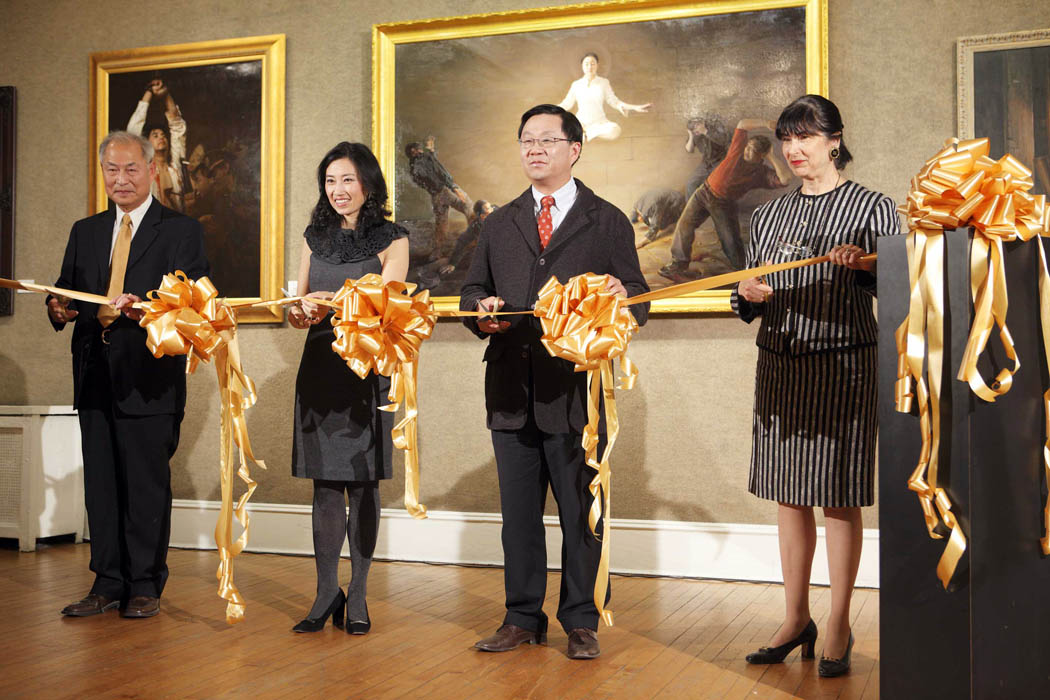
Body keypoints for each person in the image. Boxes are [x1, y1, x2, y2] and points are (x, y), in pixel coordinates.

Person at [460, 104, 649, 660]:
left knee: (579, 513)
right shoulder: (499, 222)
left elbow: (639, 298)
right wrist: (481, 312)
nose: (535, 149)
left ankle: (581, 620)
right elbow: (471, 292)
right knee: (518, 517)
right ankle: (522, 617)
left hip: (577, 392)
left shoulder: (606, 220)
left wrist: (622, 296)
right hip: (511, 389)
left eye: (547, 140)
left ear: (575, 149)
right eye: (526, 140)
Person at [732, 95, 899, 678]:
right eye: (787, 138)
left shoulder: (873, 207)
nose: (794, 149)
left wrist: (867, 266)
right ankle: (795, 618)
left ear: (834, 140)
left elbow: (903, 286)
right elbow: (747, 294)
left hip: (843, 365)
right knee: (789, 493)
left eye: (805, 136)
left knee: (839, 494)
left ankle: (839, 624)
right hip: (781, 364)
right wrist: (747, 294)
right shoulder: (767, 215)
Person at [48, 131, 209, 618]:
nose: (121, 179)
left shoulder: (181, 231)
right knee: (101, 483)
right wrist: (57, 306)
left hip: (149, 375)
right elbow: (67, 288)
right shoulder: (86, 230)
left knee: (145, 484)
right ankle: (107, 581)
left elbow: (194, 304)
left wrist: (146, 309)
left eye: (131, 169)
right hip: (93, 372)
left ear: (152, 171)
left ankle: (144, 584)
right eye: (111, 170)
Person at [287, 141, 409, 635]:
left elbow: (387, 310)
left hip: (367, 371)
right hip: (319, 368)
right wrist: (299, 311)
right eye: (330, 181)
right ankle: (325, 592)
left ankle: (357, 594)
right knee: (323, 484)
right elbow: (296, 309)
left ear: (368, 185)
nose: (338, 190)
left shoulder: (393, 239)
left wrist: (333, 303)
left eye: (347, 180)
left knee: (362, 484)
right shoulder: (313, 237)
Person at [660, 119, 791, 281]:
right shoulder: (737, 151)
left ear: (761, 155)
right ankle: (677, 265)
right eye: (748, 146)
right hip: (704, 192)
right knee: (684, 225)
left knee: (730, 242)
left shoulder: (761, 173)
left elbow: (785, 179)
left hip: (723, 204)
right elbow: (742, 124)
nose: (747, 150)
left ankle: (744, 272)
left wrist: (771, 155)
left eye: (753, 150)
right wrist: (765, 123)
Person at [557, 53, 651, 143]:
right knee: (564, 128)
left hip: (600, 123)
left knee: (615, 130)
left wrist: (634, 107)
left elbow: (614, 101)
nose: (589, 67)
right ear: (582, 66)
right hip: (581, 122)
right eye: (586, 64)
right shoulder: (576, 85)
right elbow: (566, 103)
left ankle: (586, 135)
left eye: (592, 64)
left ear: (597, 65)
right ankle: (583, 132)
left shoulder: (603, 83)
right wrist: (550, 110)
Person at [126, 79, 187, 211]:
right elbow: (132, 132)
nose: (161, 137)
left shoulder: (175, 168)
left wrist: (166, 94)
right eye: (155, 135)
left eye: (163, 135)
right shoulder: (143, 170)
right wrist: (149, 91)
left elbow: (178, 127)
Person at [405, 136, 474, 252]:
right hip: (445, 190)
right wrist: (454, 188)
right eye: (419, 149)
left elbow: (428, 174)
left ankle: (437, 250)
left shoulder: (413, 167)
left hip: (435, 195)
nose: (421, 150)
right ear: (415, 151)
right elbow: (439, 171)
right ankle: (475, 239)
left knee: (441, 222)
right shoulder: (425, 159)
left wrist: (431, 151)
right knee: (468, 206)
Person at [683, 114, 729, 199]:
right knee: (691, 184)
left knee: (717, 186)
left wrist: (705, 131)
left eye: (697, 126)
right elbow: (689, 150)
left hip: (720, 162)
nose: (695, 130)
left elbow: (723, 141)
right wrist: (691, 136)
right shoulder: (695, 133)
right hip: (706, 163)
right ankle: (691, 207)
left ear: (702, 123)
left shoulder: (714, 127)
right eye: (693, 128)